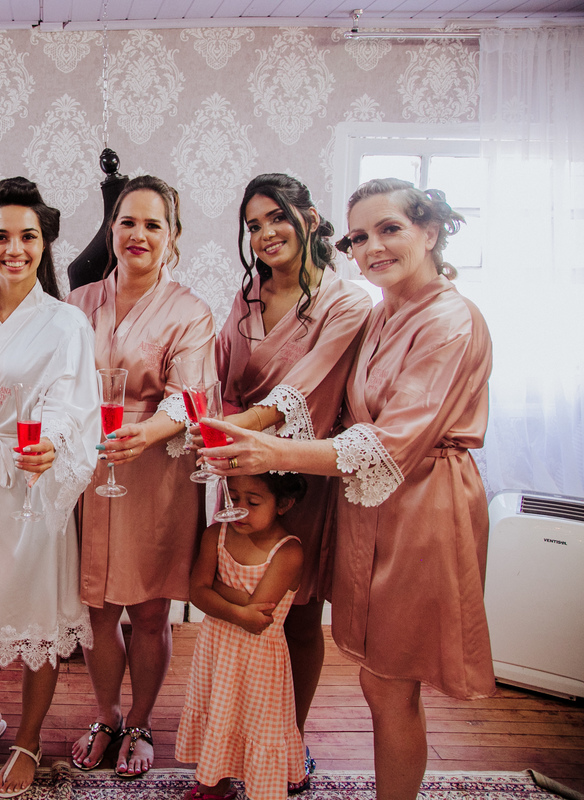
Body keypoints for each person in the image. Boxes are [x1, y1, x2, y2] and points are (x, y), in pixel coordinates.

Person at [200, 178, 494, 800]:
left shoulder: (450, 320)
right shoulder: (385, 312)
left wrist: (274, 451)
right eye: (360, 237)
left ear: (430, 231)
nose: (372, 247)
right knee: (375, 676)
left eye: (390, 230)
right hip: (367, 502)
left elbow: (387, 442)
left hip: (423, 505)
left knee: (390, 682)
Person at [0, 177, 100, 799]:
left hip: (36, 486)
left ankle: (30, 737)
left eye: (27, 236)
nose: (14, 249)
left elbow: (75, 402)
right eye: (0, 236)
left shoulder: (66, 323)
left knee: (40, 613)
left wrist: (52, 444)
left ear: (45, 243)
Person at [216, 173, 372, 787]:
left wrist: (239, 431)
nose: (265, 233)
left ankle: (290, 741)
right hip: (238, 471)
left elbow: (305, 385)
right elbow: (223, 375)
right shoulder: (247, 297)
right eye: (253, 225)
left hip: (304, 472)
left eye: (277, 217)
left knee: (297, 615)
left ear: (308, 217)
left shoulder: (347, 302)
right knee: (239, 606)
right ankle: (234, 739)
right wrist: (220, 436)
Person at [65, 175, 214, 778]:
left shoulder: (191, 311)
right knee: (96, 611)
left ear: (172, 236)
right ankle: (106, 715)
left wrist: (145, 433)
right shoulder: (77, 304)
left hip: (156, 472)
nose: (139, 234)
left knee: (149, 613)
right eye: (128, 222)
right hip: (85, 472)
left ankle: (142, 721)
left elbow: (189, 397)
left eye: (154, 224)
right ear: (111, 228)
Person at [175, 473, 308, 800]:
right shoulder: (215, 535)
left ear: (283, 504)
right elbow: (197, 593)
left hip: (259, 660)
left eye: (253, 502)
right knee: (219, 713)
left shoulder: (288, 552)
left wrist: (215, 589)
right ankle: (215, 782)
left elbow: (258, 617)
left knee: (257, 723)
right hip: (216, 651)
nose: (239, 509)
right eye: (233, 498)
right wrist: (239, 607)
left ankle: (263, 787)